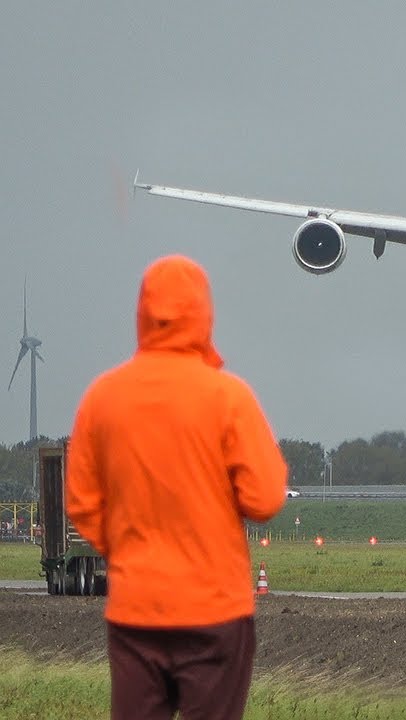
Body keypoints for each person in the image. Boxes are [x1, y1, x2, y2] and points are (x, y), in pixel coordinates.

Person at [67, 255, 288, 720]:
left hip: (136, 610)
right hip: (215, 610)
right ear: (203, 314)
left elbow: (82, 504)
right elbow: (265, 498)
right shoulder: (229, 398)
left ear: (142, 313)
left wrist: (128, 550)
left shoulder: (102, 399)